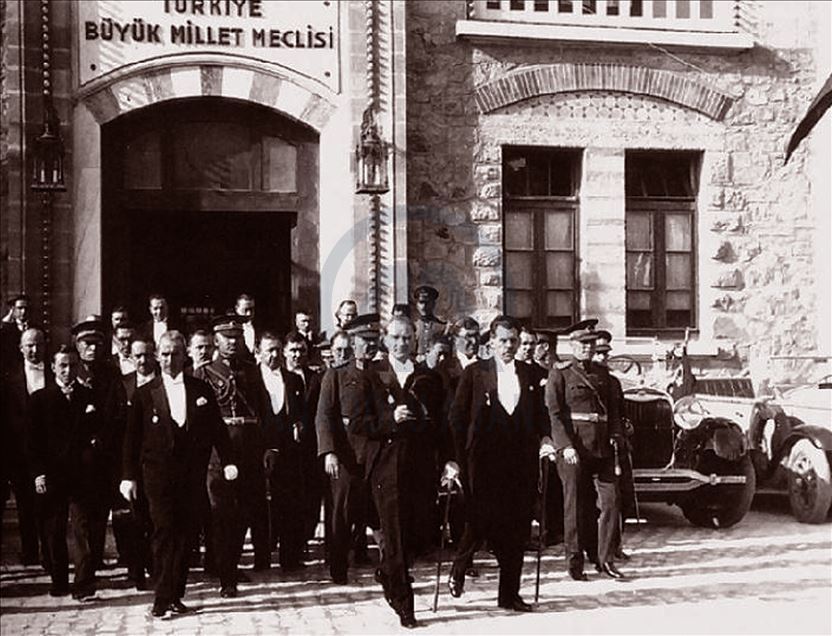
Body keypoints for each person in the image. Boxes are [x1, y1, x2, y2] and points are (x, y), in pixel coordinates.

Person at [120, 331, 238, 617]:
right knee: (164, 531)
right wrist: (128, 476)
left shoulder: (201, 390)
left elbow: (218, 429)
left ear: (184, 356)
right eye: (164, 353)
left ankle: (175, 594)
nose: (169, 359)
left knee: (186, 534)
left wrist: (228, 460)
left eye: (175, 353)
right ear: (157, 356)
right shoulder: (145, 394)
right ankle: (162, 597)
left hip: (191, 475)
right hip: (157, 477)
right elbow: (131, 440)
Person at [447, 315, 556, 612]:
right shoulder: (475, 372)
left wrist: (546, 437)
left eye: (513, 341)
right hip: (483, 461)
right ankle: (459, 566)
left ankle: (509, 594)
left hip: (520, 461)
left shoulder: (530, 374)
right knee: (480, 519)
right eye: (503, 340)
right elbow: (456, 418)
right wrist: (456, 458)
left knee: (518, 526)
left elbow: (541, 413)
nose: (509, 346)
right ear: (492, 342)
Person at [357, 316, 444, 628]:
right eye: (395, 337)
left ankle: (388, 572)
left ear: (415, 340)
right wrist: (390, 419)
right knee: (393, 532)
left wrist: (447, 460)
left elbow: (440, 423)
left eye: (407, 337)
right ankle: (405, 604)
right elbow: (359, 422)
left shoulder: (428, 376)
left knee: (417, 533)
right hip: (387, 464)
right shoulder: (372, 374)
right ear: (385, 340)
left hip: (419, 464)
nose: (401, 343)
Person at [194, 315, 269, 597]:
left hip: (248, 450)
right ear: (216, 340)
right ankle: (224, 573)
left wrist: (268, 447)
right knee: (220, 513)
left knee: (243, 512)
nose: (233, 342)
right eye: (227, 338)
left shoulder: (252, 371)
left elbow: (262, 411)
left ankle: (230, 563)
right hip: (218, 452)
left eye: (237, 337)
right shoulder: (204, 373)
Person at [28, 345, 111, 600]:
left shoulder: (89, 396)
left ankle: (83, 584)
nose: (67, 371)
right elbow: (32, 441)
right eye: (62, 365)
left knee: (82, 529)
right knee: (54, 530)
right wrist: (38, 473)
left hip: (82, 476)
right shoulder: (40, 399)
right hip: (53, 475)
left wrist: (95, 444)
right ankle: (60, 581)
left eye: (72, 365)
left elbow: (101, 430)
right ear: (53, 367)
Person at [546, 321, 625, 581]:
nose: (588, 348)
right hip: (575, 448)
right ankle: (575, 561)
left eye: (591, 343)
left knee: (611, 501)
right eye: (582, 344)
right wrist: (565, 445)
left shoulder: (605, 376)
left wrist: (615, 436)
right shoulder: (560, 374)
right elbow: (555, 415)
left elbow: (614, 412)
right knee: (576, 506)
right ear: (572, 345)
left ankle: (606, 559)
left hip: (602, 448)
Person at [315, 314, 379, 584]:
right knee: (341, 513)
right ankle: (338, 565)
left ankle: (386, 564)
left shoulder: (380, 374)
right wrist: (329, 451)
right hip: (346, 455)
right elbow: (324, 415)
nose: (370, 346)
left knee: (376, 511)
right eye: (365, 341)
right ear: (353, 343)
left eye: (374, 340)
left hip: (375, 454)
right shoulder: (337, 374)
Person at [72, 317, 128, 573]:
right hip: (78, 454)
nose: (92, 348)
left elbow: (118, 411)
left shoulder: (111, 373)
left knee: (100, 511)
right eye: (87, 343)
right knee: (81, 514)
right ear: (78, 345)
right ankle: (84, 568)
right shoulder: (71, 370)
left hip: (105, 454)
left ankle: (95, 559)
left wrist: (103, 437)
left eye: (97, 343)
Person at [256, 331, 306, 571]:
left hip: (287, 451)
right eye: (269, 350)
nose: (274, 355)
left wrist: (299, 425)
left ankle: (290, 558)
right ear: (259, 352)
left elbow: (300, 414)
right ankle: (262, 558)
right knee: (259, 506)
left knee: (289, 503)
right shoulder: (249, 378)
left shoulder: (293, 380)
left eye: (277, 350)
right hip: (258, 449)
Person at [2, 328, 50, 567]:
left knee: (48, 505)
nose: (34, 350)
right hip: (19, 454)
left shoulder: (55, 373)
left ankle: (50, 555)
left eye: (39, 344)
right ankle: (30, 552)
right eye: (29, 345)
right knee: (24, 504)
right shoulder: (9, 379)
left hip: (50, 453)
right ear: (21, 348)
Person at [282, 331, 325, 552]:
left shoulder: (316, 378)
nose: (297, 355)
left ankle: (305, 536)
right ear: (285, 352)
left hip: (311, 444)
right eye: (293, 351)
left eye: (301, 350)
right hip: (286, 445)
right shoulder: (278, 377)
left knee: (311, 494)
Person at [593, 330, 632, 562]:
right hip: (594, 447)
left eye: (605, 354)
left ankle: (615, 544)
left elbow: (620, 412)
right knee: (601, 502)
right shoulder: (585, 379)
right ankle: (598, 550)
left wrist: (623, 431)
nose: (602, 358)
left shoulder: (613, 382)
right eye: (598, 353)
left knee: (621, 497)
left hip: (615, 447)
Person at [412, 285, 447, 362]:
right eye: (421, 302)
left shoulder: (442, 327)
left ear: (433, 304)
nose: (424, 307)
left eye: (427, 303)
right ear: (417, 305)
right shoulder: (412, 326)